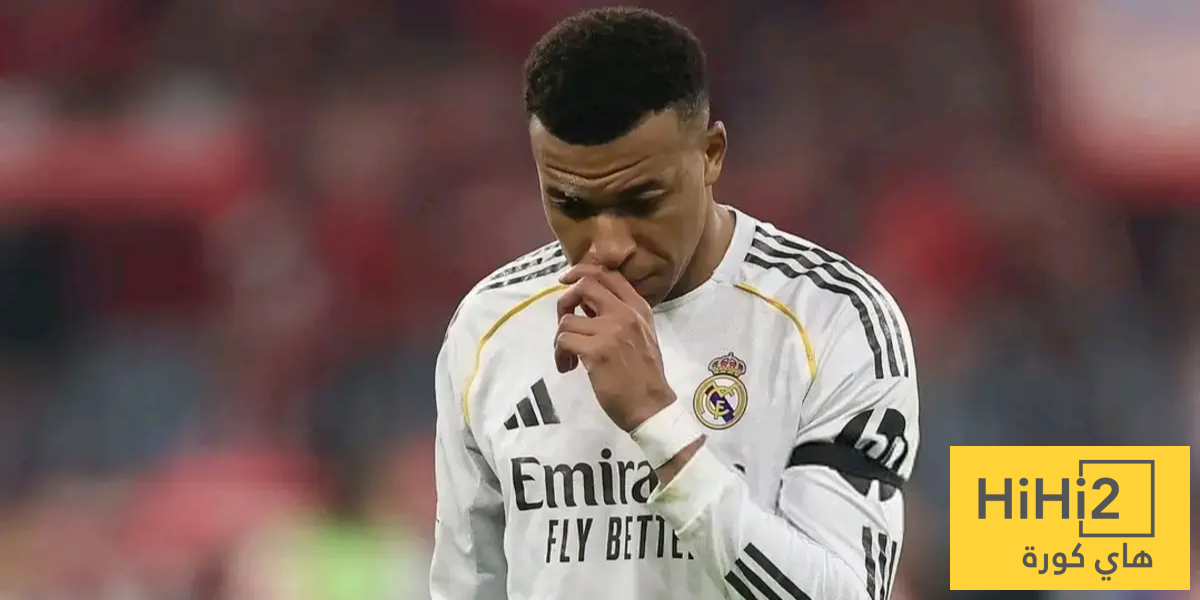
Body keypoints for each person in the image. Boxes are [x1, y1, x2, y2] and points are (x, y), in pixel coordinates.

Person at [430, 7, 919, 600]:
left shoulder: (833, 321)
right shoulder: (490, 327)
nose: (609, 246)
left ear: (711, 153)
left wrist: (658, 424)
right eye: (571, 205)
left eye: (643, 201)